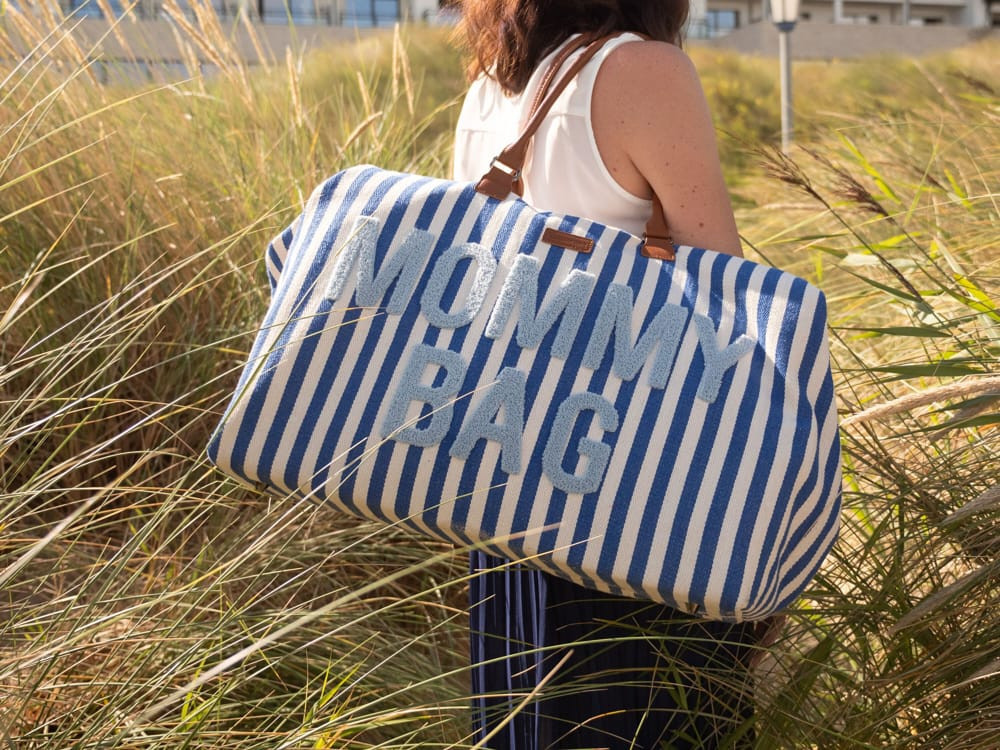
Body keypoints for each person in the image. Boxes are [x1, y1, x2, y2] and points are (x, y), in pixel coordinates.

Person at [451, 2, 767, 749]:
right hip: (632, 483)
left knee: (536, 714)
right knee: (651, 713)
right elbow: (722, 293)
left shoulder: (490, 85)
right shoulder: (642, 69)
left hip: (507, 475)